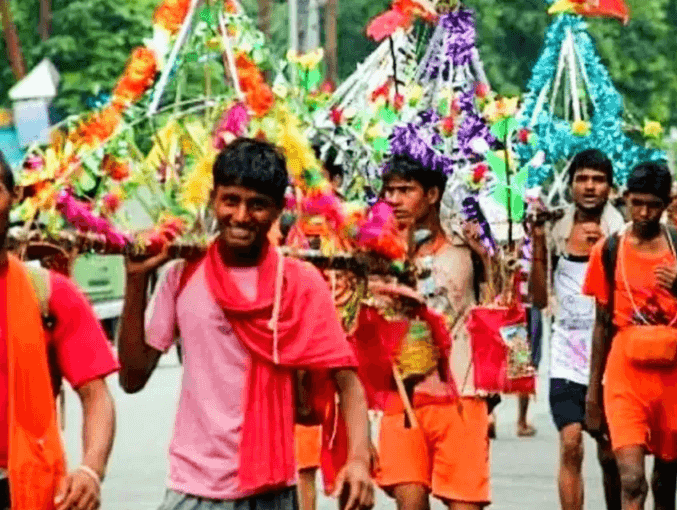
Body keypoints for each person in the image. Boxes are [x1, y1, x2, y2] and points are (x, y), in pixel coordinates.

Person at [118, 138, 374, 510]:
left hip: (272, 492)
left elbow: (348, 383)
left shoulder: (300, 283)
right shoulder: (184, 275)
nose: (240, 216)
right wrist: (135, 283)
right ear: (213, 200)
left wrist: (358, 461)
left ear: (277, 210)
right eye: (231, 200)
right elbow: (132, 377)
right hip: (193, 489)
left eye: (257, 205)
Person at [583, 162, 677, 510]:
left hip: (673, 378)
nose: (644, 212)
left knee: (664, 483)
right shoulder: (608, 249)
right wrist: (592, 395)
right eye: (637, 202)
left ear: (668, 203)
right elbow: (601, 325)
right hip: (624, 378)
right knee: (632, 481)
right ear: (626, 198)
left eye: (653, 205)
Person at [0, 151, 118, 510]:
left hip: (22, 490)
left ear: (15, 196)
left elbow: (95, 395)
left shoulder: (48, 294)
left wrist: (90, 469)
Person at [378, 154, 492, 510]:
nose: (395, 199)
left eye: (406, 190)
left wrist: (489, 257)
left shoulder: (467, 250)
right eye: (390, 191)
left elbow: (499, 304)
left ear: (432, 194)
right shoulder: (377, 254)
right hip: (402, 396)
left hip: (461, 396)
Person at [529, 149, 624, 510]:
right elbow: (539, 298)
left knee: (611, 450)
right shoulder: (555, 227)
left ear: (610, 188)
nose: (589, 186)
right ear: (570, 185)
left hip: (612, 358)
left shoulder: (622, 232)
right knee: (570, 443)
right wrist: (537, 241)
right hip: (567, 359)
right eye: (582, 178)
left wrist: (604, 249)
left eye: (598, 180)